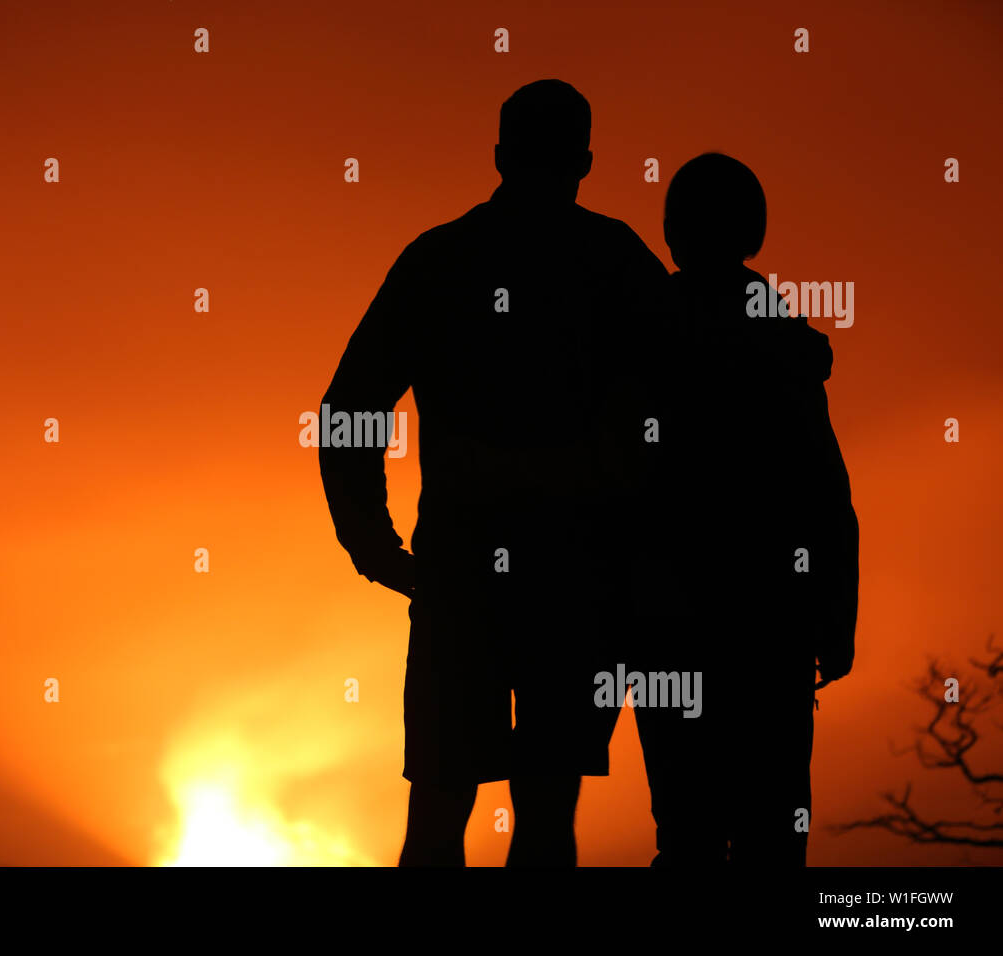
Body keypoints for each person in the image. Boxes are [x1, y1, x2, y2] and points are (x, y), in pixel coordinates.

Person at [318, 79, 668, 866]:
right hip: (575, 576)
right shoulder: (615, 262)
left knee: (441, 810)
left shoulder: (442, 259)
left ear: (501, 154)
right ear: (584, 161)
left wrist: (370, 540)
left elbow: (352, 404)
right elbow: (689, 400)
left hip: (469, 569)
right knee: (545, 816)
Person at [629, 153, 860, 866]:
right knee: (771, 833)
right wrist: (835, 618)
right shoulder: (782, 346)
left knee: (687, 832)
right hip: (771, 623)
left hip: (668, 619)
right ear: (752, 231)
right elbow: (826, 494)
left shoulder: (636, 337)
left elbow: (610, 485)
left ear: (672, 231)